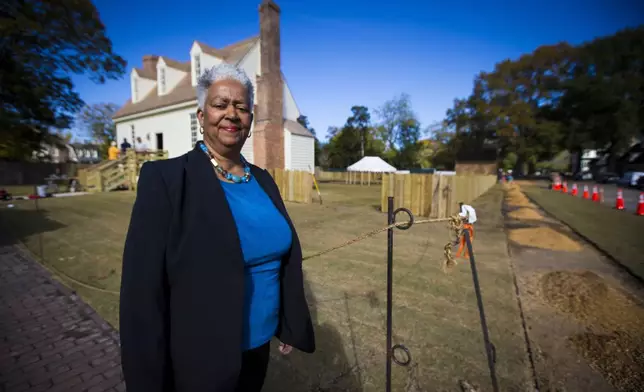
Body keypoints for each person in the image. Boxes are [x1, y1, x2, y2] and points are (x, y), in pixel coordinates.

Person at [119, 63, 315, 392]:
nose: (232, 114)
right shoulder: (166, 180)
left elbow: (281, 259)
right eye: (220, 104)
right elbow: (141, 294)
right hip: (200, 355)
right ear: (200, 116)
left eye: (241, 106)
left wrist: (287, 322)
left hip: (257, 346)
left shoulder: (263, 180)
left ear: (250, 120)